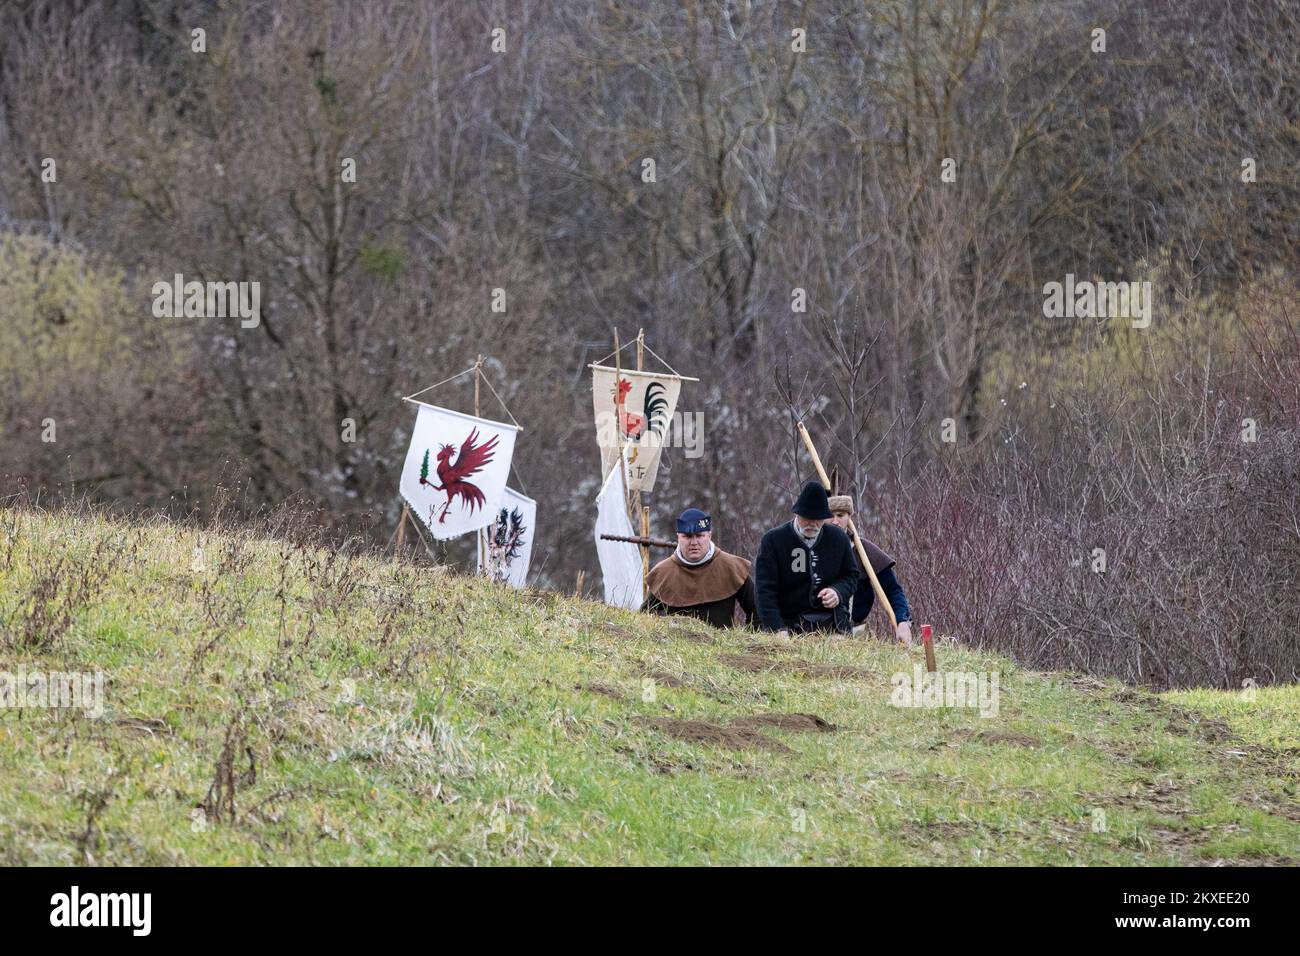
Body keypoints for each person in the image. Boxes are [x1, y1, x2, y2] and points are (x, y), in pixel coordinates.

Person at [753, 481, 861, 635]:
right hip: (789, 624)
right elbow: (764, 591)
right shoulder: (773, 541)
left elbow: (851, 576)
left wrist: (837, 592)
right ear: (797, 514)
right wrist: (777, 628)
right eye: (807, 518)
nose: (812, 523)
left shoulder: (838, 538)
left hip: (833, 623)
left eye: (818, 518)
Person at [642, 508, 756, 628]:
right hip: (676, 645)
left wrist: (746, 643)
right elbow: (645, 618)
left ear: (709, 536)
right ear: (678, 537)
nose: (694, 542)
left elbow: (757, 611)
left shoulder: (732, 567)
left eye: (700, 536)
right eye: (687, 536)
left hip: (723, 645)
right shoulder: (663, 573)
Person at [827, 495, 913, 645]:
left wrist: (902, 621)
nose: (835, 521)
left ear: (849, 517)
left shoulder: (865, 552)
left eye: (840, 516)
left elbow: (893, 590)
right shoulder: (810, 550)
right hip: (817, 633)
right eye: (830, 516)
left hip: (855, 635)